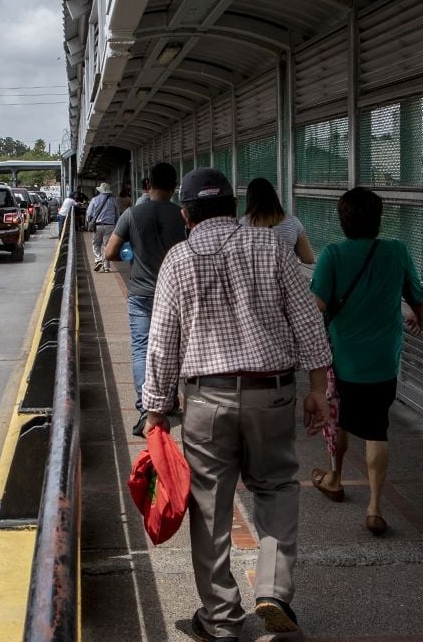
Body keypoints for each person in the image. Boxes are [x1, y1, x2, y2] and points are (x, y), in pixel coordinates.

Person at [141, 168, 332, 640]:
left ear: (186, 215)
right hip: (273, 392)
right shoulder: (272, 247)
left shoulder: (179, 260)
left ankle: (222, 620)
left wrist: (155, 409)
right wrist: (317, 388)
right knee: (277, 489)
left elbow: (162, 342)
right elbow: (308, 321)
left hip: (207, 399)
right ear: (233, 206)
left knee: (210, 507)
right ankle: (272, 589)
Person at [309, 186, 423, 537]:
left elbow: (317, 306)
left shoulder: (332, 254)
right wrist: (419, 317)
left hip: (343, 356)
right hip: (383, 358)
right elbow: (416, 293)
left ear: (342, 221)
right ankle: (375, 507)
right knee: (377, 425)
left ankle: (335, 478)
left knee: (339, 418)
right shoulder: (397, 251)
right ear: (379, 219)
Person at [103, 163, 186, 436]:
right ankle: (170, 401)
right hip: (174, 293)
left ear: (147, 184)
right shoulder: (183, 215)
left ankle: (144, 408)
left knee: (142, 349)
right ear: (174, 187)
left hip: (140, 293)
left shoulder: (131, 214)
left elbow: (110, 252)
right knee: (171, 348)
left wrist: (132, 255)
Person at [239, 177, 315, 264]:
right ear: (274, 197)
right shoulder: (293, 222)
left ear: (250, 200)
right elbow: (309, 258)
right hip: (288, 276)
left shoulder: (242, 225)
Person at [85, 182, 119, 272]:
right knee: (107, 246)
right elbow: (117, 215)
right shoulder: (113, 200)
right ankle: (106, 267)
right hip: (110, 226)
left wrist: (89, 223)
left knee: (96, 244)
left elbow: (89, 213)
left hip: (98, 226)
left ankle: (98, 259)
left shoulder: (94, 200)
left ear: (100, 190)